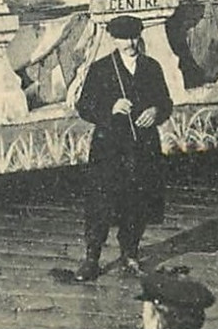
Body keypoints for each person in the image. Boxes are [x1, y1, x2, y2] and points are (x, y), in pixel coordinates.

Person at [72, 15, 174, 283]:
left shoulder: (151, 67)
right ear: (113, 39)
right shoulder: (101, 69)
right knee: (101, 202)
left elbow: (165, 102)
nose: (129, 43)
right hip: (110, 148)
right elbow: (84, 106)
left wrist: (155, 111)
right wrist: (111, 108)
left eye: (133, 37)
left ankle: (130, 254)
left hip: (143, 147)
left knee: (137, 201)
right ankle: (92, 258)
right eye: (123, 38)